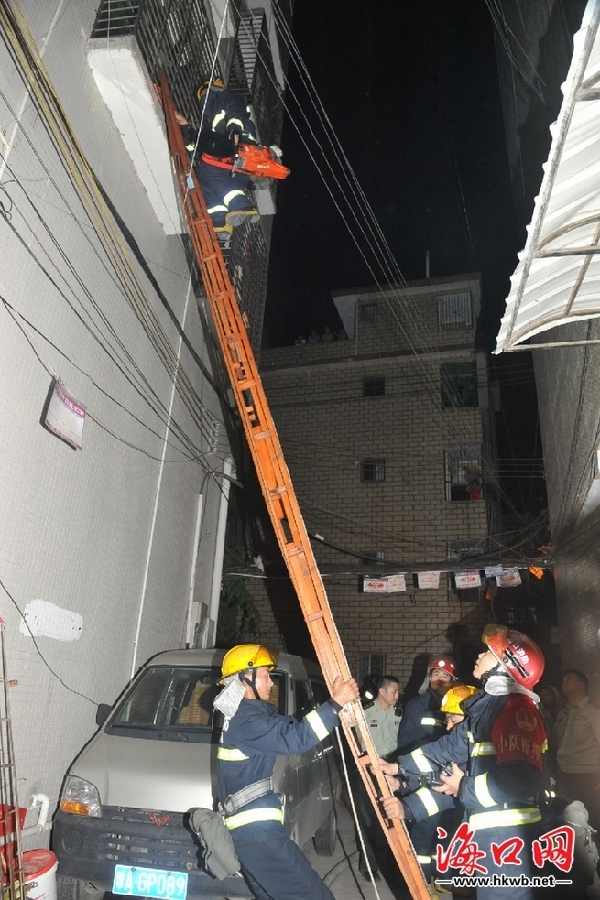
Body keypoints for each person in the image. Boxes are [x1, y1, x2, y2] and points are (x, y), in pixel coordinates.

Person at [381, 626, 548, 900]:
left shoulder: (516, 710)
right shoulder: (489, 708)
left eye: (489, 652)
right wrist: (398, 768)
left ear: (506, 665)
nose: (480, 655)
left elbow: (519, 778)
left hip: (509, 836)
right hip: (492, 833)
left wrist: (464, 787)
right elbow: (447, 749)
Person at [214, 644, 359, 900]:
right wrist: (334, 704)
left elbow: (292, 726)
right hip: (259, 837)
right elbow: (298, 738)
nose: (271, 682)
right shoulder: (247, 721)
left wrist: (336, 716)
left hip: (255, 835)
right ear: (244, 680)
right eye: (265, 675)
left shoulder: (248, 716)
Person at [396, 656, 456, 884]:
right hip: (424, 781)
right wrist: (405, 777)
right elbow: (405, 743)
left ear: (452, 680)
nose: (439, 679)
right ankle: (419, 883)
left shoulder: (459, 705)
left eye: (445, 676)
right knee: (422, 834)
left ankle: (443, 881)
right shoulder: (416, 706)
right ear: (429, 678)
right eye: (436, 675)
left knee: (446, 835)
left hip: (452, 782)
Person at [175, 78, 259, 236]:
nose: (204, 96)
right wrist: (185, 128)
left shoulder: (227, 99)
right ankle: (219, 219)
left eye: (207, 91)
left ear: (215, 89)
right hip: (224, 160)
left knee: (208, 172)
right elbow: (198, 148)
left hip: (239, 152)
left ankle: (243, 206)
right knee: (202, 177)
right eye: (202, 95)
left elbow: (235, 112)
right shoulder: (207, 122)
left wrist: (234, 130)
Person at [355, 676, 402, 881]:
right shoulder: (364, 712)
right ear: (382, 692)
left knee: (394, 816)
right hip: (371, 769)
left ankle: (393, 865)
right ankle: (368, 866)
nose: (397, 695)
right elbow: (356, 742)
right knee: (369, 819)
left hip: (392, 768)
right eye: (394, 691)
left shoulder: (400, 713)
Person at [553, 668, 600, 834]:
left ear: (582, 685)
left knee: (592, 819)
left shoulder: (593, 711)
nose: (564, 682)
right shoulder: (562, 713)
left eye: (569, 679)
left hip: (588, 776)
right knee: (569, 821)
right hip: (565, 773)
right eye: (563, 679)